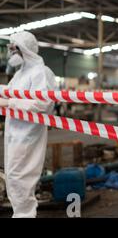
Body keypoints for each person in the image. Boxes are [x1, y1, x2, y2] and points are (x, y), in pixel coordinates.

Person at [0, 31, 56, 218]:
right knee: (13, 176)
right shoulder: (20, 74)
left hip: (28, 133)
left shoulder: (42, 72)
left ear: (25, 49)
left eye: (13, 48)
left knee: (20, 177)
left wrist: (11, 102)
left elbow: (43, 104)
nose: (10, 52)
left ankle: (25, 215)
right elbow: (7, 93)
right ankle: (20, 214)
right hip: (13, 132)